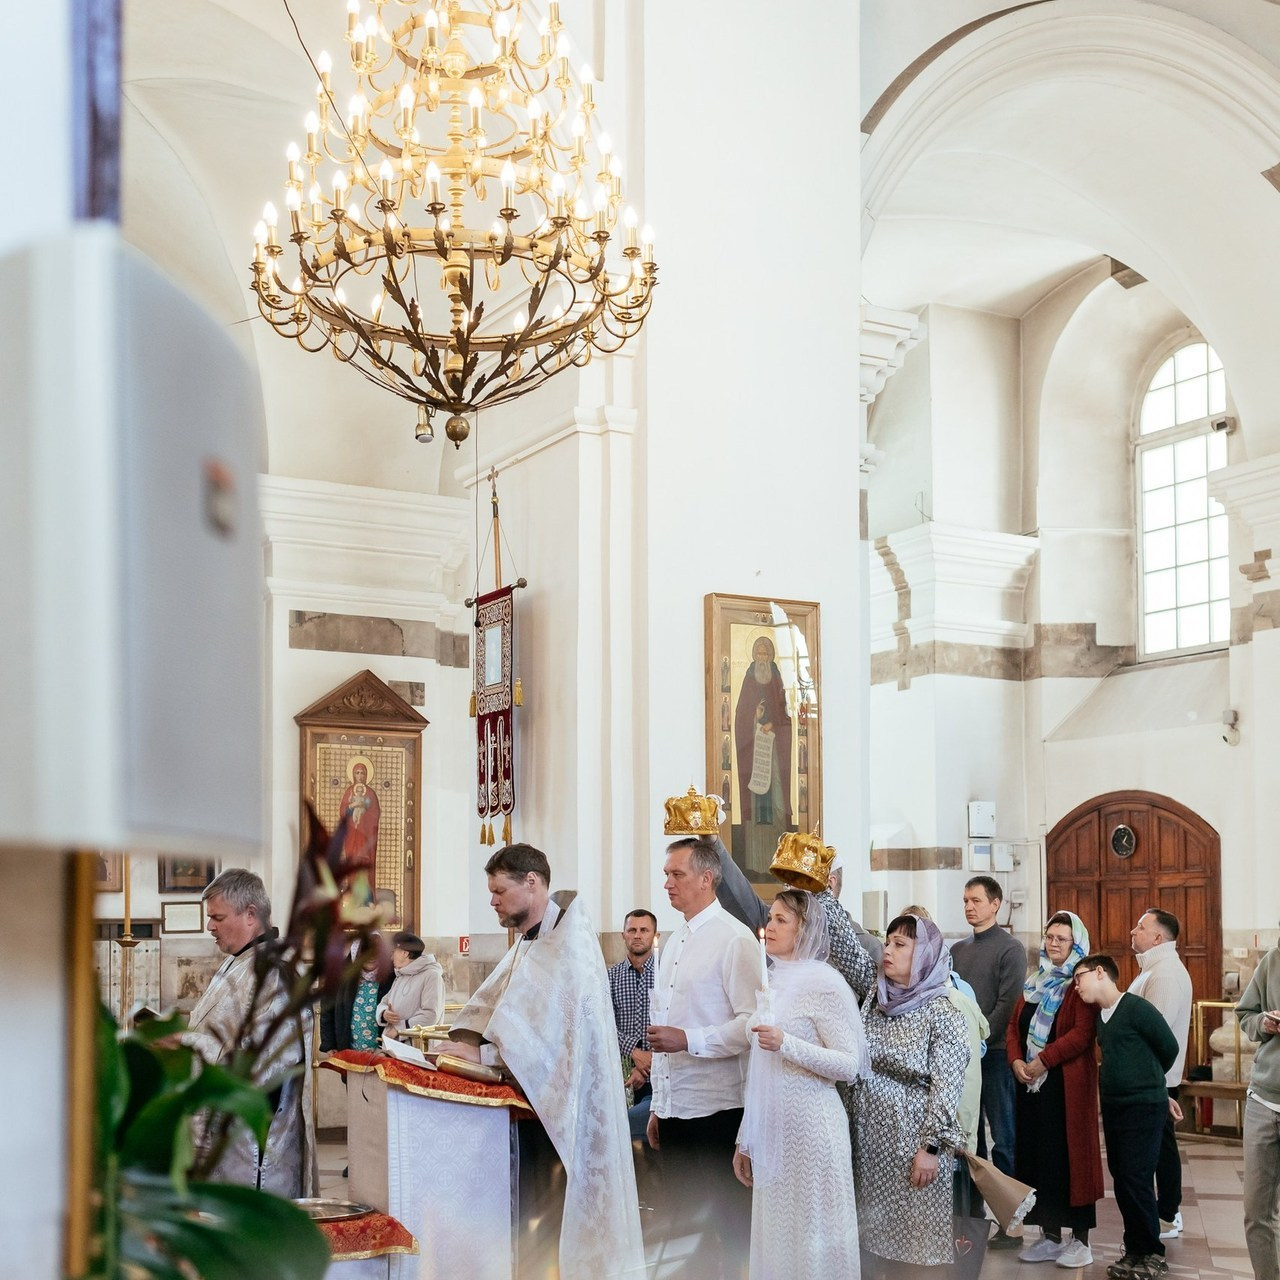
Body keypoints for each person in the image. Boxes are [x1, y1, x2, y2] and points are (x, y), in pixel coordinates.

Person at [446, 844, 643, 1280]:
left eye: (499, 890)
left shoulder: (570, 951)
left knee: (548, 1231)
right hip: (528, 1115)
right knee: (528, 1233)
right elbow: (500, 1014)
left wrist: (482, 1054)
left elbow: (558, 1045)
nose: (493, 900)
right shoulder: (532, 945)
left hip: (560, 1127)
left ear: (531, 882)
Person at [733, 889, 868, 1276]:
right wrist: (747, 1137)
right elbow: (760, 1071)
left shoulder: (825, 983)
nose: (769, 926)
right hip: (774, 1132)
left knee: (812, 1242)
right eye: (770, 918)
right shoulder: (773, 980)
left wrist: (787, 1043)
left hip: (813, 1132)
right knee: (778, 1242)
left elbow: (850, 1064)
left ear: (804, 929)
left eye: (781, 920)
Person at [646, 837, 758, 1279]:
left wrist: (689, 1039)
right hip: (676, 1108)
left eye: (678, 875)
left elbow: (751, 1025)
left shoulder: (735, 939)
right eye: (667, 875)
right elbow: (661, 1026)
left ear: (707, 879)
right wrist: (658, 1104)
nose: (668, 884)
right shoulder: (673, 941)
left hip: (718, 1112)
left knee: (725, 1232)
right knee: (681, 1229)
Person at [836, 912, 970, 1278]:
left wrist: (929, 1150)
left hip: (911, 1149)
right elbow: (844, 947)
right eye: (887, 941)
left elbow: (947, 1088)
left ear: (924, 955)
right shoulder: (875, 998)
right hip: (867, 1145)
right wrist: (818, 890)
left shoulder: (943, 1012)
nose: (888, 950)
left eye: (900, 944)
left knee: (912, 1252)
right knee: (868, 1246)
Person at [183, 868, 316, 1197]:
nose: (210, 926)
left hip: (251, 1150)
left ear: (250, 915)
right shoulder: (238, 962)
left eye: (217, 917)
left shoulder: (274, 973)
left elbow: (269, 1070)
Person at [1073, 953, 1181, 1280]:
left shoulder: (1136, 1008)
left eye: (1080, 976)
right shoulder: (1100, 1017)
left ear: (1101, 972)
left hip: (1144, 1106)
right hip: (1117, 1106)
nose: (1076, 985)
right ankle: (1134, 1250)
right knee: (1122, 1179)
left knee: (1136, 1177)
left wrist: (1150, 1083)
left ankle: (1152, 1253)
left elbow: (1168, 1047)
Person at [1006, 912, 1103, 1268]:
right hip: (1032, 1088)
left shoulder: (1081, 984)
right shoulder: (1036, 981)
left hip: (1066, 1086)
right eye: (1049, 937)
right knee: (1039, 1158)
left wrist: (1043, 1061)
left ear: (1076, 943)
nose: (1054, 944)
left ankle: (1080, 1239)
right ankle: (1048, 1235)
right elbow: (1015, 1027)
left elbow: (1081, 1034)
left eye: (1062, 938)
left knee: (1070, 1160)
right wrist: (1017, 1061)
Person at [950, 873, 1027, 1245]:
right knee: (968, 1138)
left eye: (976, 900)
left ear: (995, 904)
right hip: (964, 1058)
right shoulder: (958, 951)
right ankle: (972, 1218)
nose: (969, 906)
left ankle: (1011, 1221)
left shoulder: (1010, 949)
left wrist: (978, 1041)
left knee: (1004, 1140)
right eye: (965, 900)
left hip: (993, 1056)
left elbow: (1007, 1004)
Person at [712, 832, 883, 965]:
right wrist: (711, 842)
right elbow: (739, 894)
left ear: (829, 884)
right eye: (787, 884)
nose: (790, 891)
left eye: (799, 884)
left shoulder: (866, 946)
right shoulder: (777, 925)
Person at [1127, 908, 1193, 1239]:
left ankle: (1168, 1213)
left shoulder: (1164, 974)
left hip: (1157, 1080)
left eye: (1140, 926)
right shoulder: (1152, 970)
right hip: (1151, 1079)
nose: (1132, 931)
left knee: (1161, 1150)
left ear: (1158, 937)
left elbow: (1155, 1033)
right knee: (1157, 1148)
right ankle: (1166, 1211)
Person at [1237, 932, 1280, 1280]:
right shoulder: (1272, 961)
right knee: (1257, 1211)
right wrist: (1263, 1023)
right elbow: (1246, 1014)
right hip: (1264, 1100)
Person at [733, 635, 793, 873]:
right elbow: (740, 718)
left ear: (771, 657)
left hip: (774, 756)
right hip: (755, 758)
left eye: (765, 654)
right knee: (758, 808)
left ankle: (779, 863)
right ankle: (757, 864)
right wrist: (755, 719)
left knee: (777, 803)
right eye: (758, 653)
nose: (762, 658)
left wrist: (775, 727)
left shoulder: (778, 681)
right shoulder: (748, 682)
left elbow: (787, 718)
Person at [608, 908, 659, 1142]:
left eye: (644, 930)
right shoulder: (610, 977)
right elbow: (602, 1024)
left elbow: (676, 1023)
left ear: (655, 936)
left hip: (660, 1079)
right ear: (623, 935)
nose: (637, 935)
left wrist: (647, 1065)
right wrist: (633, 1052)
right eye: (632, 930)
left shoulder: (666, 975)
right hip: (619, 1077)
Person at [319, 934, 393, 1053]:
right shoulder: (342, 975)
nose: (370, 959)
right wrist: (329, 1045)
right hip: (349, 1050)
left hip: (383, 1053)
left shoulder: (391, 977)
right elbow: (327, 1011)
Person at [376, 931, 444, 1038]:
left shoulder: (431, 976)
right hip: (395, 1044)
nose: (391, 957)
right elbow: (383, 1002)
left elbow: (431, 1014)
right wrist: (384, 1014)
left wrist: (400, 1029)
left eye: (393, 952)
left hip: (418, 1046)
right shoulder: (401, 974)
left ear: (405, 953)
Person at [338, 758, 380, 871]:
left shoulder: (370, 793)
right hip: (352, 831)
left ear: (366, 775)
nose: (360, 776)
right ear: (353, 775)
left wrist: (364, 814)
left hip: (366, 832)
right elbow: (343, 812)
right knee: (352, 860)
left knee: (364, 862)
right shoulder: (349, 792)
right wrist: (352, 807)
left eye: (362, 773)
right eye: (357, 773)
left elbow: (375, 814)